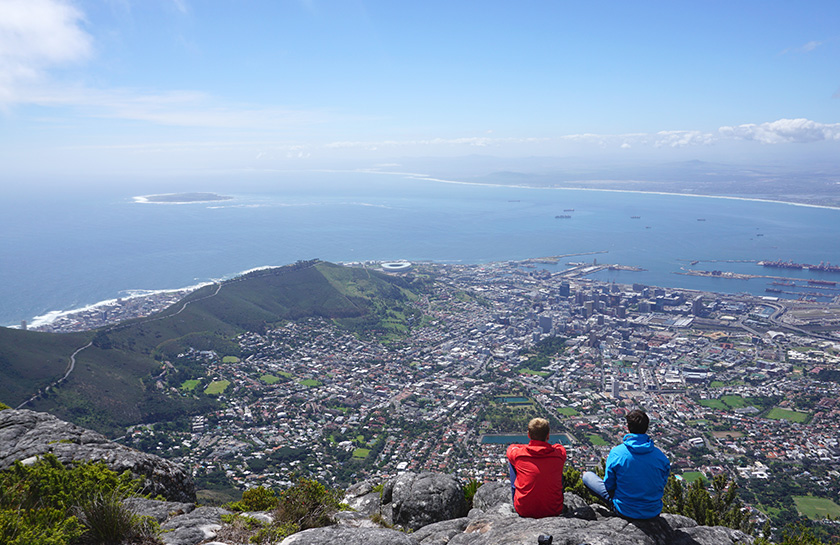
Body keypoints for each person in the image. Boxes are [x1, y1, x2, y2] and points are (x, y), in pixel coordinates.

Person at [583, 409, 670, 520]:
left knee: (587, 476)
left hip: (624, 510)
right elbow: (661, 484)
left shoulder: (617, 453)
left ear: (628, 427)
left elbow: (609, 485)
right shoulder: (661, 457)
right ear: (646, 427)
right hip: (652, 512)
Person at [506, 417, 567, 518]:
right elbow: (559, 447)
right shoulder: (559, 454)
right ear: (548, 435)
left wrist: (525, 447)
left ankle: (516, 493)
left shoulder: (519, 454)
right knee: (556, 466)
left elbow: (511, 448)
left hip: (524, 510)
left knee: (513, 462)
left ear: (529, 435)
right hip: (554, 510)